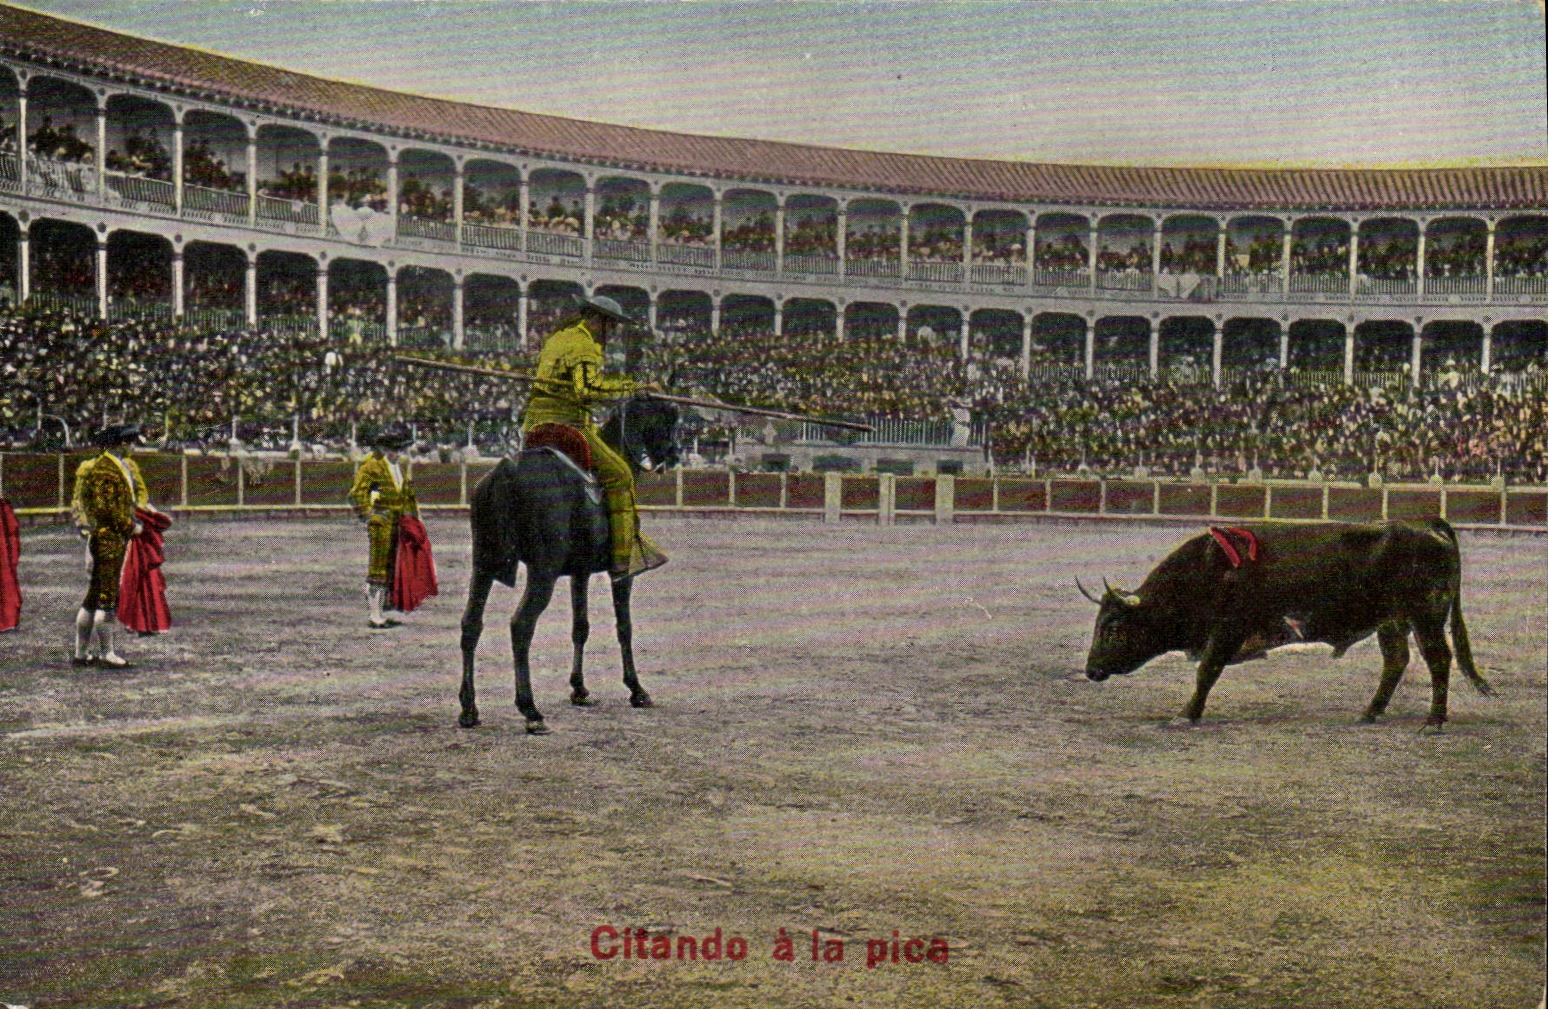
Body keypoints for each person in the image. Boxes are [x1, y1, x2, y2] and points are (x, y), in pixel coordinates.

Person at [522, 294, 666, 582]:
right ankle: (623, 562)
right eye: (611, 325)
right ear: (597, 319)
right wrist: (635, 388)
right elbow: (586, 389)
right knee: (621, 475)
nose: (612, 332)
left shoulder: (559, 337)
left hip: (533, 424)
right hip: (568, 423)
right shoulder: (585, 345)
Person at [73, 424, 147, 668]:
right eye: (132, 442)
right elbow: (107, 509)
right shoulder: (107, 468)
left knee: (94, 595)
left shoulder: (111, 465)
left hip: (106, 536)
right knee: (107, 595)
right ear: (122, 443)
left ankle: (81, 654)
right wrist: (131, 526)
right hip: (109, 538)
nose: (134, 447)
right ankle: (107, 653)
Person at [349, 424, 418, 629]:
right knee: (378, 567)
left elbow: (406, 494)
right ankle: (374, 615)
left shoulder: (398, 466)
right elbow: (356, 494)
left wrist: (412, 519)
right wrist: (369, 515)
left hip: (397, 522)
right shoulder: (372, 466)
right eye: (394, 449)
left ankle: (380, 611)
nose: (398, 453)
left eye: (400, 449)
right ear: (384, 448)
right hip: (381, 523)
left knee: (389, 567)